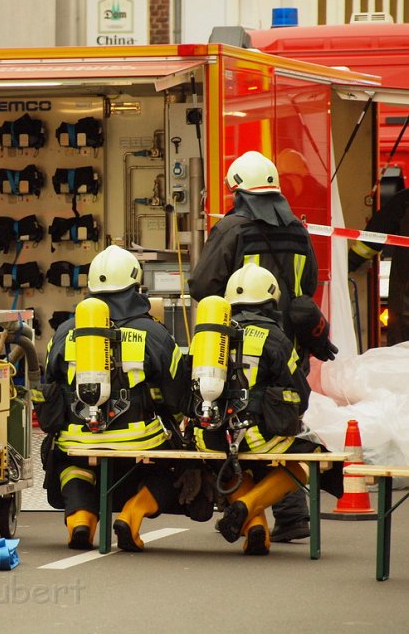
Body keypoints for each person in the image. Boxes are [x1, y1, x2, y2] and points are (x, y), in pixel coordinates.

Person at [188, 150, 329, 543]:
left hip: (243, 348)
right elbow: (309, 285)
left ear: (238, 191)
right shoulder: (298, 230)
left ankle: (252, 513)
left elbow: (202, 286)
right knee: (282, 427)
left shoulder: (233, 229)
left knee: (243, 426)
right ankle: (290, 514)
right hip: (290, 347)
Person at [41, 245, 196, 551]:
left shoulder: (64, 331)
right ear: (136, 285)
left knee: (69, 465)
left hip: (77, 437)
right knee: (174, 468)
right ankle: (131, 516)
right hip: (140, 439)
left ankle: (81, 522)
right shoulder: (154, 333)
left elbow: (50, 381)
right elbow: (178, 396)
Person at [196, 264, 342, 555]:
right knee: (304, 464)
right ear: (270, 300)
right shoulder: (275, 338)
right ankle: (246, 506)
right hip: (260, 434)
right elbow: (300, 392)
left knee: (234, 465)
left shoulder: (212, 335)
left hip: (212, 436)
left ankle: (256, 528)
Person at [348, 185, 409, 345]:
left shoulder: (404, 201)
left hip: (405, 297)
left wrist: (349, 263)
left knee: (401, 355)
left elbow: (374, 236)